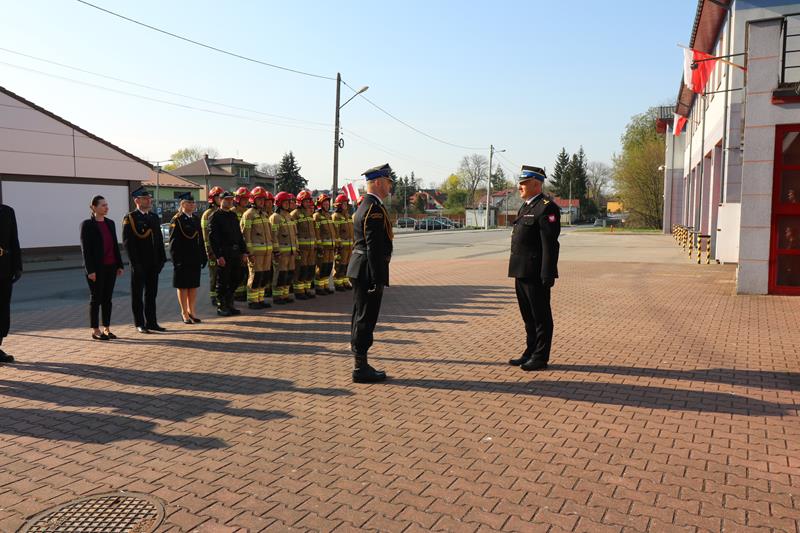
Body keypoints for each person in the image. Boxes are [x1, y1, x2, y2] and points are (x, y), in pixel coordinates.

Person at [508, 165, 561, 371]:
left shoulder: (547, 207)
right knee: (528, 317)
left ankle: (540, 357)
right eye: (519, 183)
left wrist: (548, 273)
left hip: (535, 273)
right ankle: (530, 352)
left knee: (541, 317)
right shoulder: (527, 206)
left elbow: (550, 244)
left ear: (536, 184)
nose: (519, 186)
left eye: (523, 183)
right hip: (520, 270)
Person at [347, 163, 394, 383]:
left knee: (360, 315)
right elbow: (373, 248)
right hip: (367, 270)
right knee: (366, 318)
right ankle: (360, 368)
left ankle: (360, 362)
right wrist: (377, 278)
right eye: (387, 182)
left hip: (361, 267)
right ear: (377, 182)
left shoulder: (366, 205)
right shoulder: (373, 209)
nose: (390, 186)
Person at [123, 187, 167, 334]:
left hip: (153, 262)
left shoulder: (153, 217)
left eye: (149, 198)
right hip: (139, 263)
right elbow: (128, 244)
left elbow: (159, 240)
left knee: (151, 294)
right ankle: (140, 323)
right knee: (137, 295)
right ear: (137, 200)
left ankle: (152, 322)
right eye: (145, 198)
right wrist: (135, 264)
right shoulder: (130, 218)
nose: (149, 201)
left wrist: (162, 259)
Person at [80, 195, 124, 340]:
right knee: (96, 298)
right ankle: (95, 330)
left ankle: (106, 328)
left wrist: (119, 264)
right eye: (103, 205)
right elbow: (85, 250)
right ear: (94, 207)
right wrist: (90, 270)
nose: (106, 208)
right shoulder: (87, 225)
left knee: (107, 299)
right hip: (96, 269)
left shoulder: (110, 223)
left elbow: (115, 245)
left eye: (107, 205)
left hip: (111, 266)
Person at [169, 192, 206, 324]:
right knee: (183, 286)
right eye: (189, 203)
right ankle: (184, 312)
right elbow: (173, 243)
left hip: (194, 258)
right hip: (182, 259)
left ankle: (192, 311)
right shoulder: (177, 220)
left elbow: (200, 240)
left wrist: (203, 256)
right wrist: (176, 260)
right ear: (183, 204)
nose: (192, 205)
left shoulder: (195, 219)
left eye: (193, 202)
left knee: (193, 285)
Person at [241, 187, 274, 309]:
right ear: (253, 200)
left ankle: (260, 299)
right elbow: (246, 235)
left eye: (263, 199)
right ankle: (253, 301)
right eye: (259, 199)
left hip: (267, 252)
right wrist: (249, 252)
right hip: (255, 253)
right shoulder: (248, 215)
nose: (261, 201)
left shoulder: (264, 215)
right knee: (255, 276)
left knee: (264, 276)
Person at [0, 204, 22, 363]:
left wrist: (17, 266)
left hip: (4, 269)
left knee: (2, 309)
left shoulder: (7, 211)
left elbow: (14, 239)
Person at [270, 192, 298, 305]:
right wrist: (276, 251)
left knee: (289, 273)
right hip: (281, 253)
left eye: (288, 202)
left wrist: (296, 248)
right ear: (279, 203)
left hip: (291, 252)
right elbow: (273, 236)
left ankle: (285, 295)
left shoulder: (289, 216)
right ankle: (277, 296)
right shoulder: (275, 217)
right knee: (280, 274)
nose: (287, 204)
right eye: (285, 202)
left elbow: (295, 234)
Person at [290, 190, 318, 300]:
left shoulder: (309, 213)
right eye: (305, 201)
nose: (307, 203)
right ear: (300, 202)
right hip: (301, 248)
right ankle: (299, 291)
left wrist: (315, 244)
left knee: (309, 269)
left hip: (311, 248)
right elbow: (293, 233)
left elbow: (313, 230)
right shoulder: (294, 214)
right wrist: (296, 247)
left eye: (308, 201)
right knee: (300, 269)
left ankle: (306, 289)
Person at [201, 186, 224, 306]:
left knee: (223, 275)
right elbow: (206, 235)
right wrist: (209, 251)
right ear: (212, 199)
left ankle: (222, 295)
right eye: (218, 197)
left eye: (221, 197)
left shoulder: (223, 212)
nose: (220, 199)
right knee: (214, 275)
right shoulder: (208, 214)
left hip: (223, 250)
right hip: (212, 251)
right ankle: (213, 297)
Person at [314, 193, 338, 295]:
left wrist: (335, 243)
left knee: (328, 267)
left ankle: (325, 285)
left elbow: (333, 231)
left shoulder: (329, 216)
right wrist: (319, 245)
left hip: (330, 246)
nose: (327, 205)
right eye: (325, 204)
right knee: (321, 267)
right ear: (320, 204)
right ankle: (319, 287)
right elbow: (316, 232)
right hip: (323, 247)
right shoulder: (317, 216)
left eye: (328, 204)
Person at [332, 194, 354, 291]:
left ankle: (345, 281)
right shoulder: (335, 217)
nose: (345, 205)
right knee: (340, 265)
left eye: (346, 203)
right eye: (343, 204)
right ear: (339, 205)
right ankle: (338, 283)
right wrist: (338, 245)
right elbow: (335, 232)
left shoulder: (348, 216)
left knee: (347, 265)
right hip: (341, 247)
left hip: (349, 246)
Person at [233, 187, 251, 302]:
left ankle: (244, 292)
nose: (245, 201)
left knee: (246, 271)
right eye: (243, 199)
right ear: (238, 199)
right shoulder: (233, 212)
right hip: (237, 246)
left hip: (247, 245)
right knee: (238, 271)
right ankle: (237, 293)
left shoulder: (248, 212)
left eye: (247, 199)